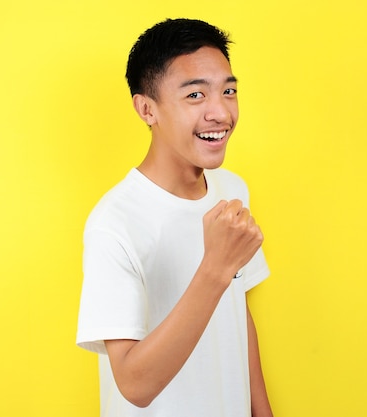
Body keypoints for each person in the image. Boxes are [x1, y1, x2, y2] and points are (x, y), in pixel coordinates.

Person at [76, 18, 273, 417]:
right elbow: (133, 384)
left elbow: (238, 316)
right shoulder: (114, 225)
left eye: (228, 91)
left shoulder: (232, 189)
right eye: (196, 95)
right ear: (147, 109)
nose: (220, 112)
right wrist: (215, 268)